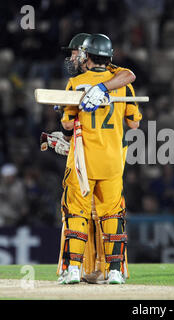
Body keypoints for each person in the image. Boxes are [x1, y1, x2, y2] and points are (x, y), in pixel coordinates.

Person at [57, 34, 142, 285]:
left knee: (77, 212)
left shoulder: (76, 82)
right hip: (113, 160)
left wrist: (65, 112)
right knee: (113, 215)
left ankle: (73, 269)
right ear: (109, 57)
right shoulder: (122, 84)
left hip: (84, 160)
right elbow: (135, 124)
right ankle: (114, 271)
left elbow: (66, 125)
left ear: (88, 56)